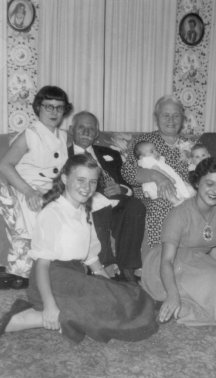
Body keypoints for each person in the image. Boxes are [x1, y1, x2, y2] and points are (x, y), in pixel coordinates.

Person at [0, 154, 158, 344]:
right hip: (53, 278)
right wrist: (49, 306)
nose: (86, 187)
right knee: (100, 314)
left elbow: (89, 253)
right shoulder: (52, 213)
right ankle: (21, 319)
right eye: (80, 180)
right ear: (64, 179)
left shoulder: (83, 210)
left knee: (118, 295)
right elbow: (41, 264)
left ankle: (48, 311)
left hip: (74, 276)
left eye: (93, 182)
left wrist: (104, 278)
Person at [141, 157, 216, 325]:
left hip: (198, 262)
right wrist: (172, 295)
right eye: (209, 184)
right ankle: (174, 302)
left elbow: (215, 244)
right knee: (214, 288)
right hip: (169, 265)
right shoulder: (179, 214)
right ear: (197, 183)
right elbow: (166, 261)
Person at [68, 111, 146, 281]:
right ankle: (105, 267)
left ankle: (128, 268)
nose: (87, 132)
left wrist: (122, 189)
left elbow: (129, 183)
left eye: (91, 129)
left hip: (116, 204)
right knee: (96, 209)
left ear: (97, 133)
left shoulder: (111, 153)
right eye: (81, 128)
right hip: (88, 203)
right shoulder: (63, 155)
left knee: (135, 206)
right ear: (71, 130)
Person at [0, 85, 72, 239]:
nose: (54, 112)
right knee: (41, 211)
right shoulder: (29, 135)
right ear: (38, 107)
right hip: (31, 188)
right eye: (49, 107)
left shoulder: (65, 137)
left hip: (55, 188)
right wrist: (28, 191)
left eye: (59, 108)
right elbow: (5, 165)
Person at [121, 95, 192, 250]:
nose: (171, 120)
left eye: (176, 115)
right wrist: (156, 176)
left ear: (182, 118)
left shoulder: (191, 145)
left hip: (186, 196)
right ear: (156, 117)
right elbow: (128, 172)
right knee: (165, 205)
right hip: (153, 198)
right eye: (166, 115)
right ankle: (157, 254)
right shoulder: (144, 142)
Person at [134, 141, 195, 206]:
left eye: (155, 150)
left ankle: (188, 197)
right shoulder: (147, 161)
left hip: (164, 182)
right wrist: (169, 177)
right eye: (152, 151)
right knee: (168, 190)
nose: (155, 152)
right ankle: (175, 201)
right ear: (141, 157)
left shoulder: (155, 160)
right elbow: (158, 171)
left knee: (185, 187)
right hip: (158, 184)